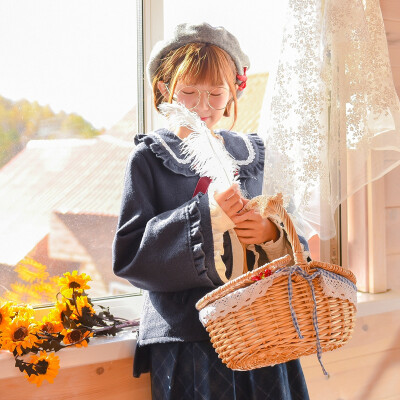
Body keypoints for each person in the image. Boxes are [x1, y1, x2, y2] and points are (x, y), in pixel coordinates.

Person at [112, 22, 310, 400]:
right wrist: (209, 215)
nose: (202, 107)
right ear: (162, 89)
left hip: (263, 330)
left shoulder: (253, 156)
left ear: (235, 90)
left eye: (215, 94)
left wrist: (271, 236)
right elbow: (131, 257)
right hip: (190, 338)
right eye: (188, 93)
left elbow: (297, 242)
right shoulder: (149, 159)